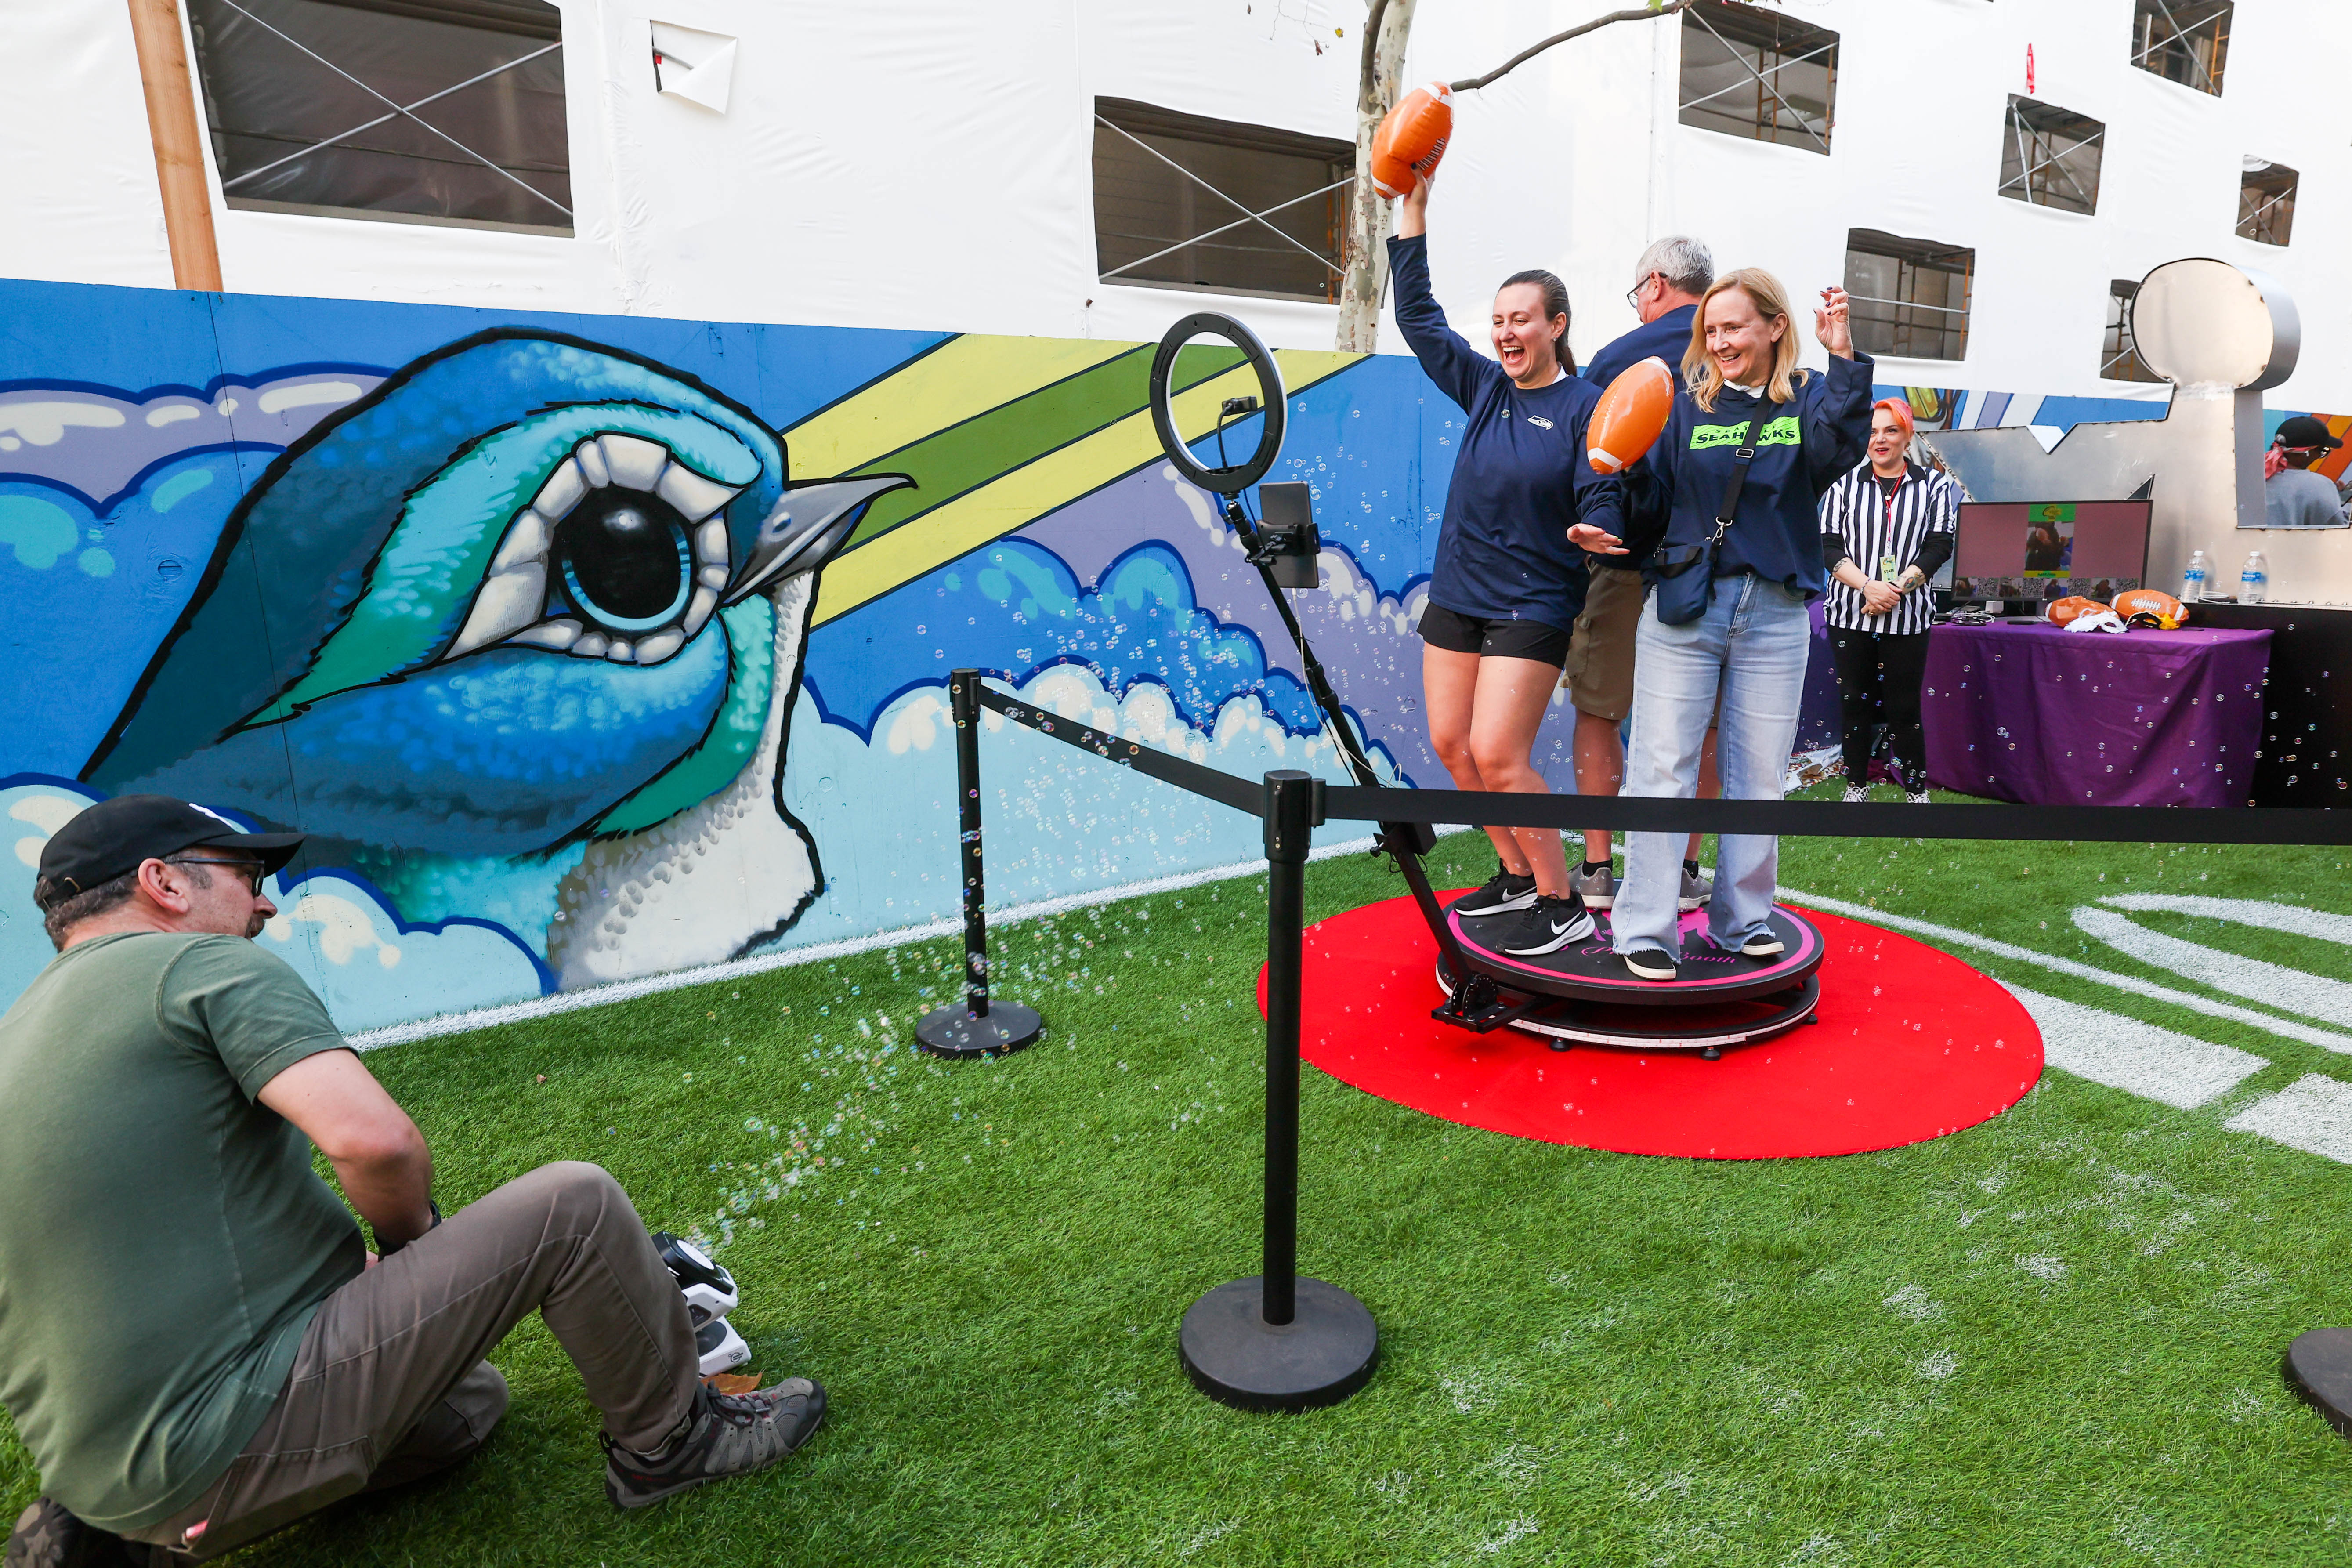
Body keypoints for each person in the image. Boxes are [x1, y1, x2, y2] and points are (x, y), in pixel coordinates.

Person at [0, 797, 825, 1568]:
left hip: (104, 1479)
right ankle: (673, 1444)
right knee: (572, 1206)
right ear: (165, 882)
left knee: (467, 1406)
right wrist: (410, 1244)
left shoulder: (18, 1036)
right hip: (219, 1440)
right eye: (247, 876)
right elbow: (375, 1144)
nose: (266, 906)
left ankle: (115, 1540)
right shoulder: (198, 964)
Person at [1569, 269, 1871, 982]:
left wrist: (1843, 357)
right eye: (1710, 330)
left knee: (1759, 775)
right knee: (1660, 767)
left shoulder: (1807, 397)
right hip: (1686, 604)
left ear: (1774, 326)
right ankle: (1645, 927)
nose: (1719, 341)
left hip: (1775, 612)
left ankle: (1742, 919)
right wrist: (1603, 519)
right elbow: (1642, 495)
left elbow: (1839, 447)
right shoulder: (1682, 406)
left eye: (1732, 327)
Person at [1389, 173, 1625, 958]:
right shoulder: (1486, 386)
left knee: (1498, 754)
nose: (1504, 332)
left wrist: (1596, 525)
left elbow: (1603, 485)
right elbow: (1418, 319)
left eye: (1519, 319)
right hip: (1458, 592)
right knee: (1452, 745)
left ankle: (1562, 902)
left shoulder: (1585, 403)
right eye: (1496, 321)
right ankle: (1516, 872)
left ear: (1555, 325)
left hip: (1533, 603)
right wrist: (1413, 212)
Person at [1566, 236, 1720, 913]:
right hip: (1712, 566)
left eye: (1638, 294)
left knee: (1599, 709)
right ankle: (1683, 871)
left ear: (1655, 284)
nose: (1638, 306)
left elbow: (1589, 464)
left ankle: (1598, 870)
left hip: (1625, 559)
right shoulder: (1735, 350)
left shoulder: (1618, 357)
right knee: (1702, 725)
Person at [1819, 398, 1959, 804]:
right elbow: (1829, 547)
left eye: (1891, 430)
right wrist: (1868, 587)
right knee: (1854, 703)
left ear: (1907, 435)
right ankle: (1856, 786)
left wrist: (1894, 588)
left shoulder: (1935, 486)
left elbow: (1940, 545)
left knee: (1905, 707)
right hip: (1850, 614)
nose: (1880, 439)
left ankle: (1916, 792)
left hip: (1908, 616)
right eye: (1873, 431)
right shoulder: (1843, 485)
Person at [2262, 415, 2350, 528]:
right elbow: (2339, 527)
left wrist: (2332, 496)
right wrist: (2348, 505)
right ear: (2305, 453)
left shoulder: (2254, 478)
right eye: (2323, 450)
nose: (2320, 456)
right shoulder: (2320, 486)